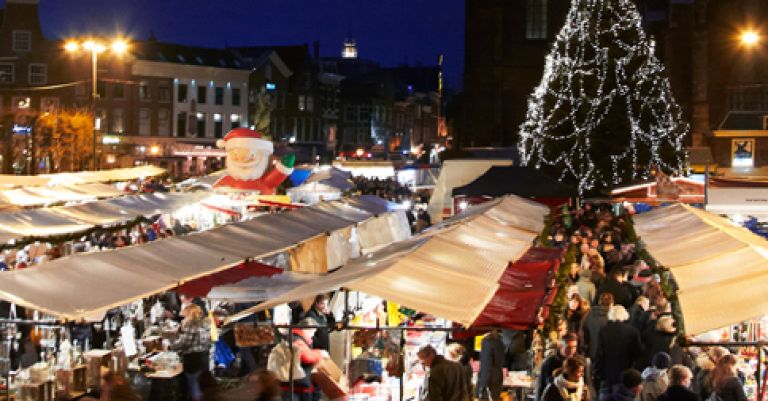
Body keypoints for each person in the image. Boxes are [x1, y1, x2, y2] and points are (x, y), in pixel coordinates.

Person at [594, 305, 643, 397]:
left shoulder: (604, 330)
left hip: (607, 372)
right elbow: (638, 354)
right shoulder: (633, 331)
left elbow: (599, 353)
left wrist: (597, 371)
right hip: (626, 373)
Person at [171, 304, 212, 401]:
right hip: (204, 355)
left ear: (189, 314)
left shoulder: (191, 324)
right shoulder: (205, 323)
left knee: (193, 384)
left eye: (185, 315)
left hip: (193, 358)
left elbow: (185, 342)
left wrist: (170, 346)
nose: (184, 317)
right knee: (200, 383)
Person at [281, 318, 328, 401]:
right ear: (305, 329)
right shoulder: (295, 338)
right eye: (312, 332)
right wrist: (320, 353)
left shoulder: (301, 339)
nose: (312, 335)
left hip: (299, 386)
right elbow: (306, 356)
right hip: (293, 388)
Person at [537, 333, 579, 401]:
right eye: (568, 347)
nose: (572, 350)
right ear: (560, 346)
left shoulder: (579, 362)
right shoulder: (549, 363)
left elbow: (586, 384)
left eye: (574, 347)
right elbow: (542, 387)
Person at [477, 330, 505, 400]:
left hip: (489, 380)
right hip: (498, 376)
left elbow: (486, 364)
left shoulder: (487, 342)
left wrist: (482, 385)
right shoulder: (499, 342)